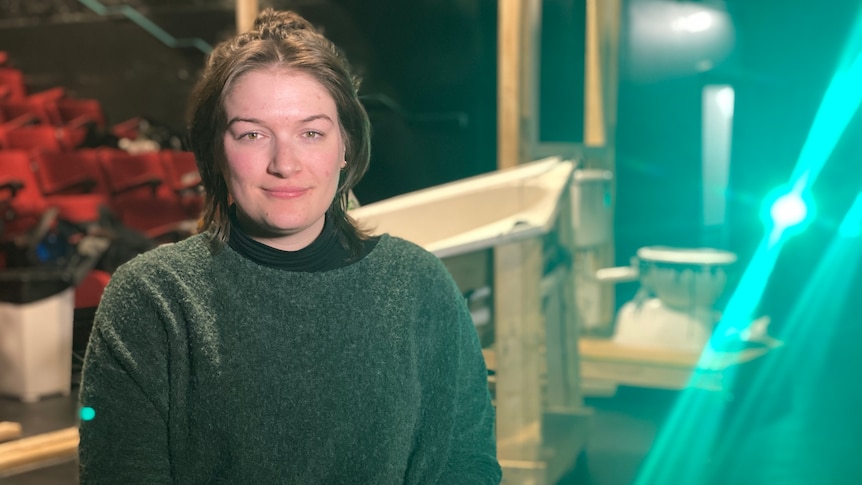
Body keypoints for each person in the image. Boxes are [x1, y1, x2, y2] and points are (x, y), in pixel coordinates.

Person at [77, 8, 501, 484]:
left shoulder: (419, 286)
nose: (285, 163)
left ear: (345, 147)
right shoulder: (150, 299)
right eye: (253, 134)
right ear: (217, 150)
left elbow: (465, 467)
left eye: (311, 133)